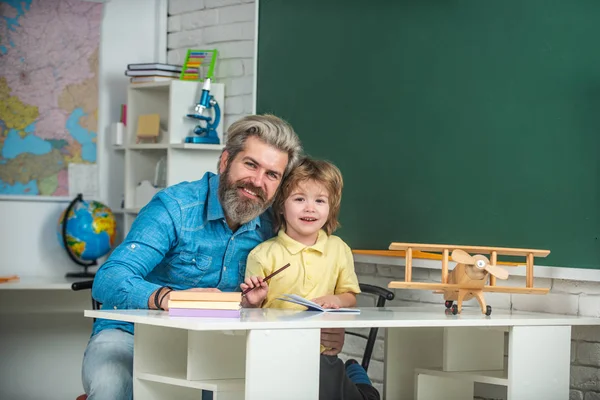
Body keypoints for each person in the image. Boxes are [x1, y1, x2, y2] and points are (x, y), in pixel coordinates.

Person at [82, 114, 345, 400]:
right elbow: (109, 278)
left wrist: (320, 332)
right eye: (250, 164)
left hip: (217, 346)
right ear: (224, 161)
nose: (257, 181)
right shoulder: (176, 208)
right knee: (112, 386)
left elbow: (294, 287)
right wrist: (170, 299)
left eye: (272, 175)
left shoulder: (276, 223)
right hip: (132, 336)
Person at [242, 157, 380, 400]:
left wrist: (337, 300)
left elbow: (350, 297)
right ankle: (352, 373)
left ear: (331, 208)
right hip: (274, 355)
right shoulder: (263, 254)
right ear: (281, 206)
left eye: (320, 200)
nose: (310, 208)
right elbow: (248, 315)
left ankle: (358, 377)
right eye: (299, 199)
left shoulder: (338, 248)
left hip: (322, 353)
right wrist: (253, 302)